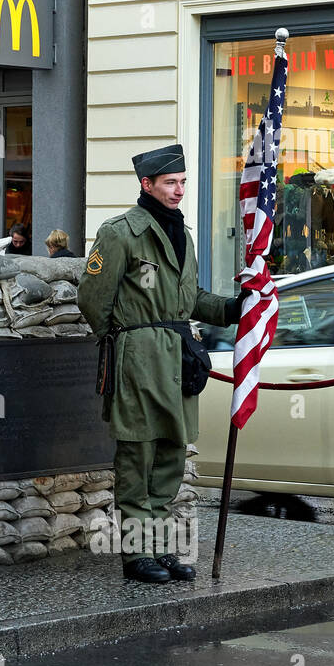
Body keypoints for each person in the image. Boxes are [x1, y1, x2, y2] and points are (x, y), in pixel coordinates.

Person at [77, 143, 243, 584]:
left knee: (170, 456)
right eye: (170, 183)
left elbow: (189, 300)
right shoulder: (120, 233)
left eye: (183, 182)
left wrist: (234, 308)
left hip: (177, 358)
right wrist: (129, 341)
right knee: (138, 457)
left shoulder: (181, 234)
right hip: (138, 360)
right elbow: (92, 300)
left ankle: (162, 548)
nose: (179, 190)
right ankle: (136, 556)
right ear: (146, 184)